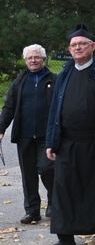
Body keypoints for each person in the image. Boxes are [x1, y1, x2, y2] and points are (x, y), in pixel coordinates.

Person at [46, 24, 95, 244]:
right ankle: (65, 237)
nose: (77, 48)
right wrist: (51, 141)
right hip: (67, 142)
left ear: (93, 46)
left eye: (82, 44)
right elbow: (55, 109)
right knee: (62, 187)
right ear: (69, 49)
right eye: (74, 45)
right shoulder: (64, 73)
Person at [0, 44, 56, 224]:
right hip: (24, 136)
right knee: (28, 174)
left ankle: (54, 203)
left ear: (44, 59)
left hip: (46, 136)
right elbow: (8, 108)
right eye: (30, 58)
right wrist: (1, 129)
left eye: (37, 57)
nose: (33, 60)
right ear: (25, 61)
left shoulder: (54, 80)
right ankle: (32, 211)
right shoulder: (19, 82)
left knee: (47, 169)